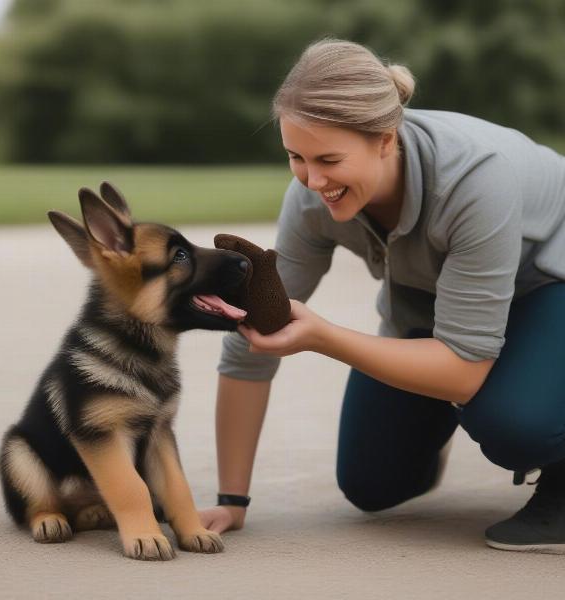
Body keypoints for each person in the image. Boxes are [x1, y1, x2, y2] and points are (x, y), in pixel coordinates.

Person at [198, 38, 565, 553]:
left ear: (386, 140)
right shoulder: (310, 199)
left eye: (328, 159)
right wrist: (232, 499)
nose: (313, 179)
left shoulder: (476, 179)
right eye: (296, 157)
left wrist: (324, 336)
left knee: (514, 422)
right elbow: (251, 338)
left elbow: (463, 369)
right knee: (373, 483)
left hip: (552, 283)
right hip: (452, 300)